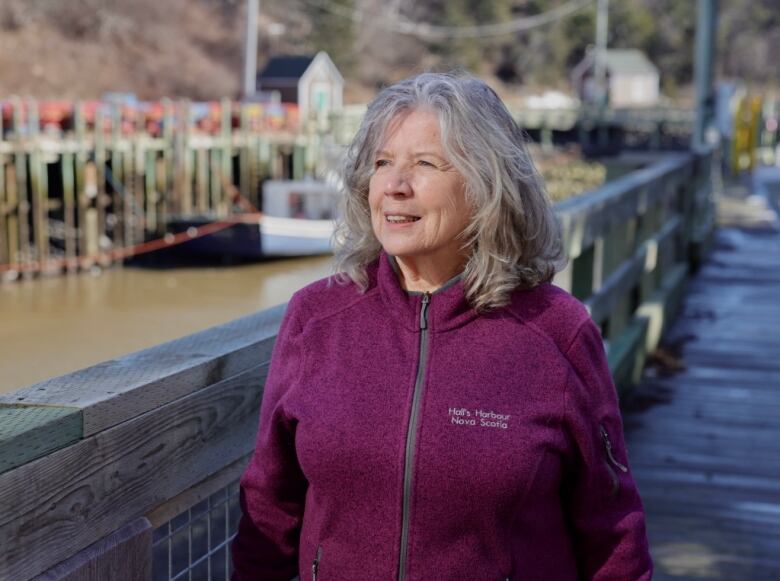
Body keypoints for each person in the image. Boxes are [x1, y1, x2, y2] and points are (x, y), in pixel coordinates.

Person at [231, 72, 653, 580]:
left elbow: (611, 534)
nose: (393, 185)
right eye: (382, 163)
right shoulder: (316, 318)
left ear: (486, 185)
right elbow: (269, 509)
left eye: (424, 164)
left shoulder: (555, 332)